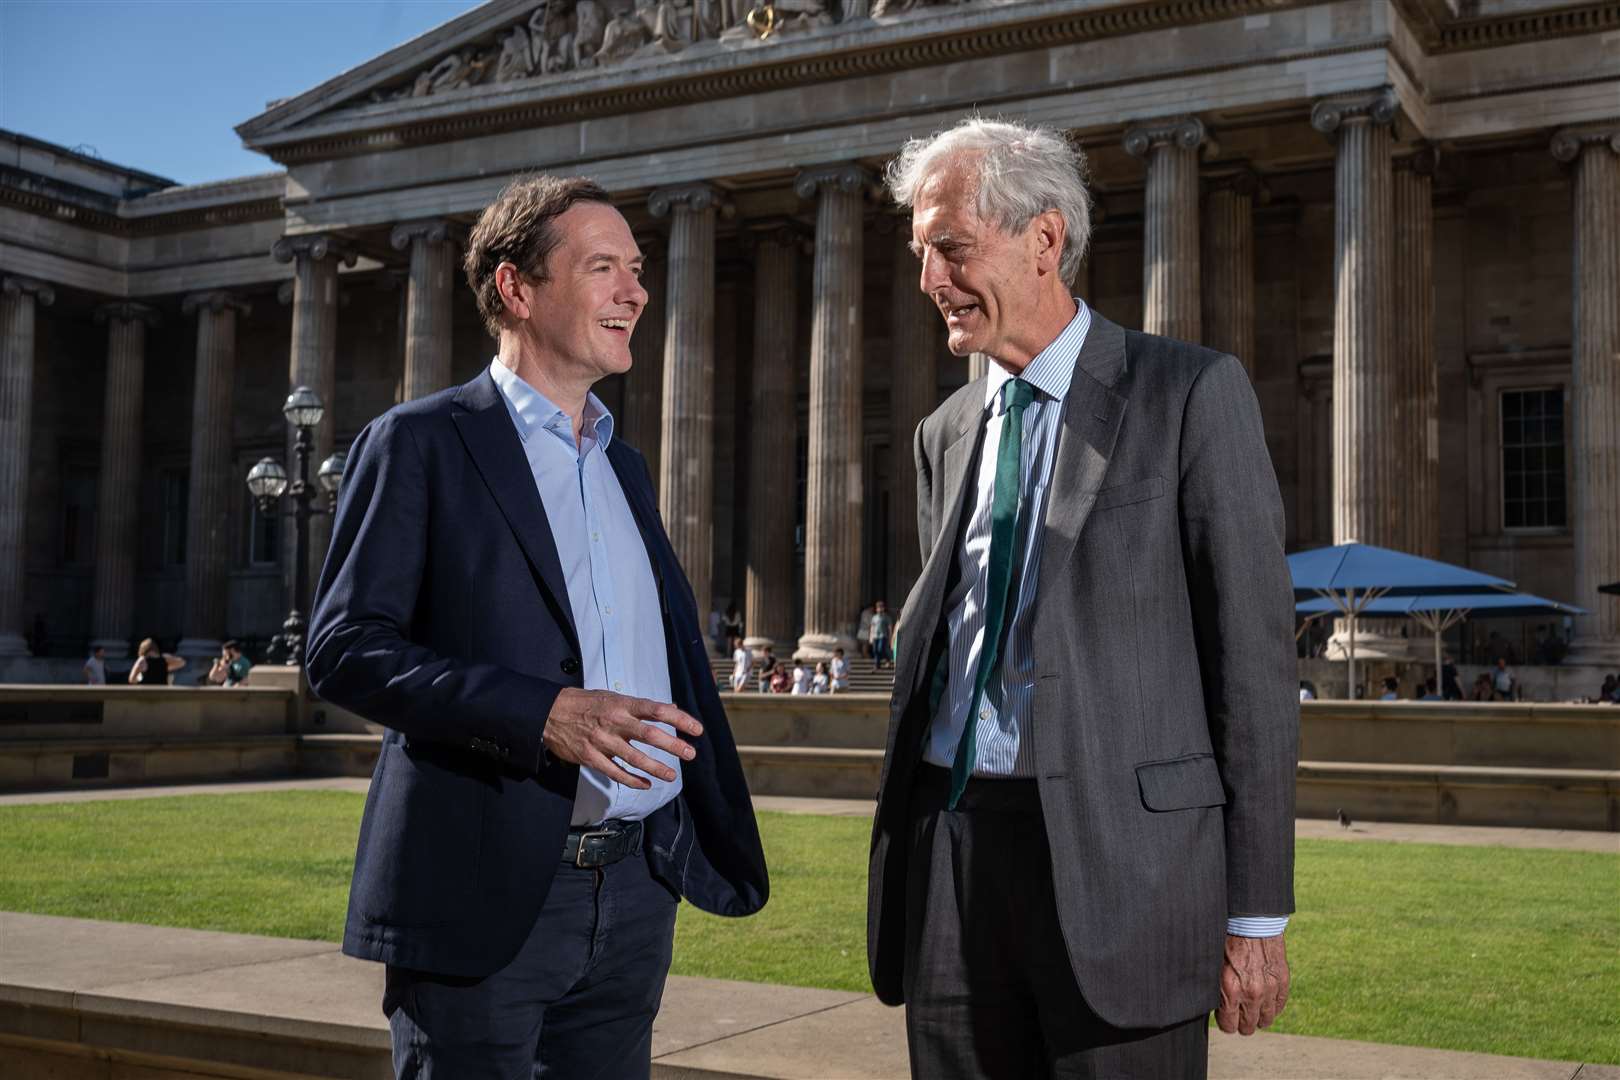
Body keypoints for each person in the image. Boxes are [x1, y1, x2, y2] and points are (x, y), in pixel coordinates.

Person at [305, 174, 767, 1078]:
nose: (636, 291)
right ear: (517, 290)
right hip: (486, 889)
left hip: (633, 891)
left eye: (637, 268)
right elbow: (343, 649)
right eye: (604, 268)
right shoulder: (419, 442)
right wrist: (540, 712)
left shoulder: (623, 464)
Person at [867, 118, 1296, 1077]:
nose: (930, 277)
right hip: (952, 844)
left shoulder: (1188, 394)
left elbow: (1255, 666)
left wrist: (1256, 914)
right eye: (921, 253)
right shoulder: (945, 432)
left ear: (1044, 240)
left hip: (1122, 866)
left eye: (951, 247)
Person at [868, 600, 894, 670]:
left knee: (880, 649)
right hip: (875, 636)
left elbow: (889, 628)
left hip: (883, 636)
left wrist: (890, 638)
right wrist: (870, 637)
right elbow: (872, 627)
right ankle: (877, 665)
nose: (880, 609)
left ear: (883, 608)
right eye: (878, 608)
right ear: (876, 609)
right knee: (875, 650)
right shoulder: (874, 617)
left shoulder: (886, 617)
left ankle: (888, 659)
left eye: (881, 607)